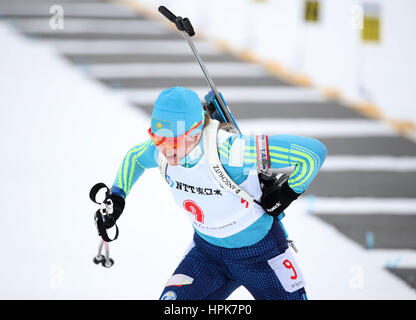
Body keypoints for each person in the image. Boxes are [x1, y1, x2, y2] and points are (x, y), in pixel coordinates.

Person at [100, 86, 327, 300]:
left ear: (195, 133)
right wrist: (117, 196)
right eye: (157, 138)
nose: (164, 150)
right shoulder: (162, 153)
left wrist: (286, 194)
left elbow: (312, 153)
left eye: (172, 141)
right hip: (206, 255)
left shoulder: (231, 151)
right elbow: (135, 158)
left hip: (260, 255)